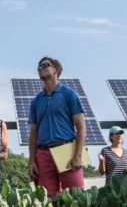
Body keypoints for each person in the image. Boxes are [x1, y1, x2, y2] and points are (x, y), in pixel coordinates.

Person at [27, 56, 86, 196]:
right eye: (39, 66)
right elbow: (33, 133)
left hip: (67, 151)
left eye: (45, 65)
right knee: (48, 200)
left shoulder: (69, 94)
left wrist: (78, 155)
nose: (41, 68)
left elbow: (81, 127)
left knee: (74, 197)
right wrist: (31, 161)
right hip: (43, 154)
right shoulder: (36, 101)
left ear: (56, 69)